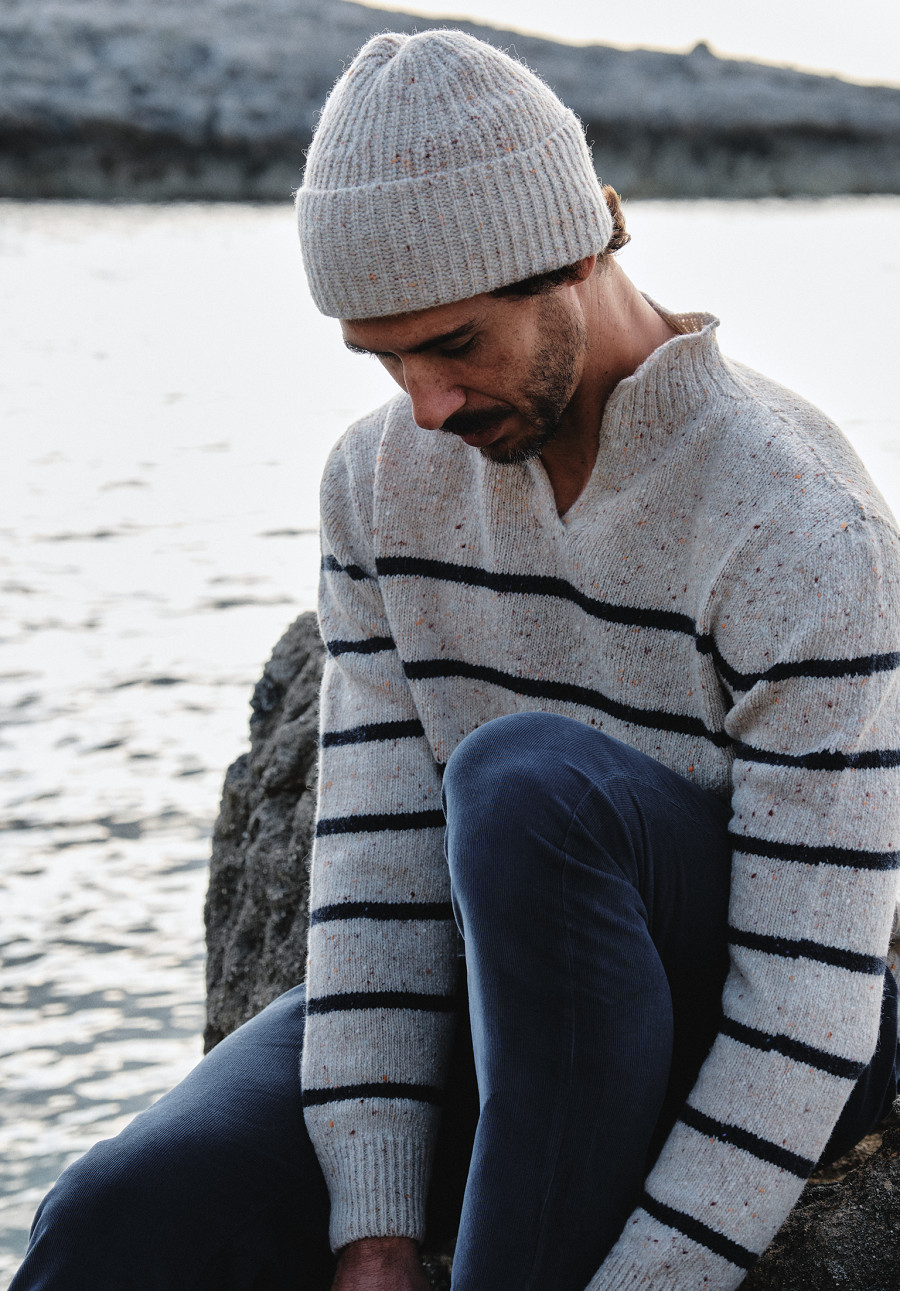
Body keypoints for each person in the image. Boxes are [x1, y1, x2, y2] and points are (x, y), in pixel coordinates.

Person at [12, 28, 900, 1291]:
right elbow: (377, 861)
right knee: (115, 1217)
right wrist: (371, 1225)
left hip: (752, 1014)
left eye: (454, 344)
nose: (424, 404)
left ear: (579, 253)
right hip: (500, 1004)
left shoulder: (800, 525)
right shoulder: (379, 480)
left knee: (524, 781)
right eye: (384, 357)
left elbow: (809, 1001)